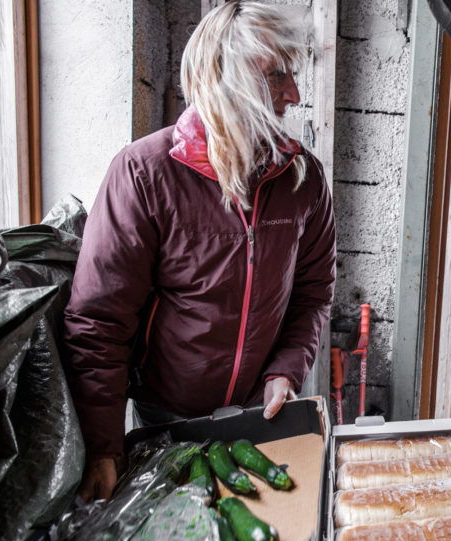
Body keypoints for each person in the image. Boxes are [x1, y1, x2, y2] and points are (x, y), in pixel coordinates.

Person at [63, 2, 336, 502]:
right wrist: (103, 448)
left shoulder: (304, 180)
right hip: (166, 420)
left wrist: (287, 368)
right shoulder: (143, 175)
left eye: (291, 77)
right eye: (277, 77)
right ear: (224, 80)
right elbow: (98, 321)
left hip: (262, 413)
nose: (293, 96)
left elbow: (314, 292)